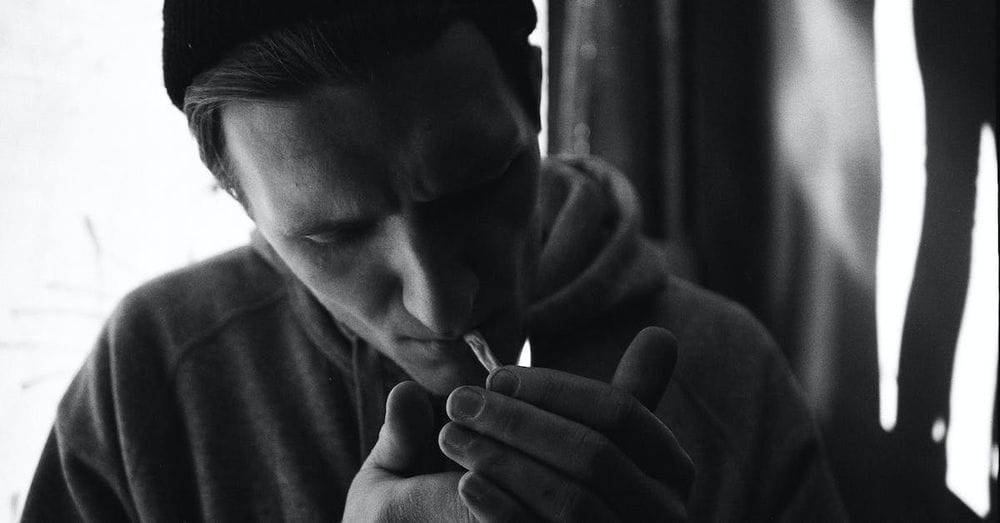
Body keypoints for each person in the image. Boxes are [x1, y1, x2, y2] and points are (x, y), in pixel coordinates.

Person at [22, 0, 846, 520]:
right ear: (236, 194)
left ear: (532, 88)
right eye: (331, 236)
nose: (443, 305)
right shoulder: (150, 388)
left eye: (478, 183)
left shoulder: (723, 378)